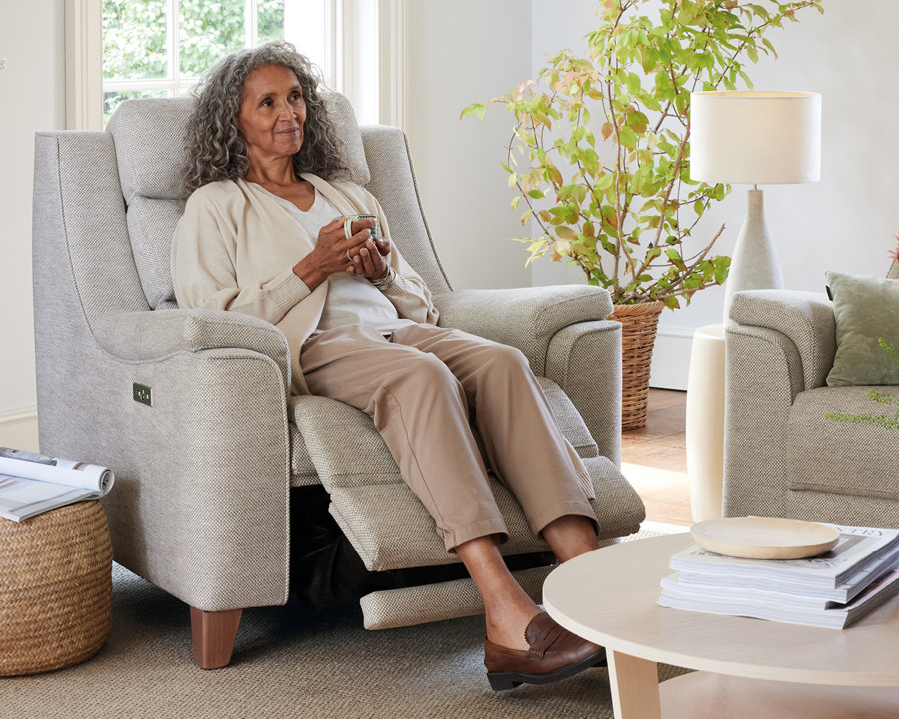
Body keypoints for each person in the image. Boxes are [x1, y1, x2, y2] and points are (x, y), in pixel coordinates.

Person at [170, 41, 604, 690]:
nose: (288, 112)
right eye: (268, 102)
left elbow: (420, 304)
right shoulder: (217, 205)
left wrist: (384, 273)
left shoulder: (342, 192)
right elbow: (209, 316)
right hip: (317, 345)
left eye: (294, 97)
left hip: (395, 328)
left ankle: (595, 592)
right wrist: (311, 267)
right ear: (234, 121)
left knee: (504, 362)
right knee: (421, 378)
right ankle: (505, 615)